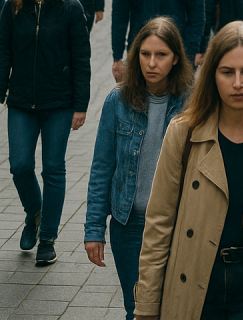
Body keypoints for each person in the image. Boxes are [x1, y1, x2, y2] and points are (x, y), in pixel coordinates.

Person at [133, 22, 243, 320]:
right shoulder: (183, 133)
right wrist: (147, 307)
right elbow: (159, 223)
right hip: (196, 278)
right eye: (227, 72)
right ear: (212, 75)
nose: (238, 83)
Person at [84, 18, 193, 320]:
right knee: (138, 311)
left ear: (175, 59)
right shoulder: (117, 101)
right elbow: (102, 168)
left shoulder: (193, 103)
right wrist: (94, 229)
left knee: (177, 309)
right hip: (129, 223)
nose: (152, 63)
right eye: (145, 54)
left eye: (161, 55)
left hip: (179, 222)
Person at [0, 0, 91, 265]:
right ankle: (34, 213)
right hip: (22, 101)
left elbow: (82, 59)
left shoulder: (70, 8)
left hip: (60, 102)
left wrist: (81, 105)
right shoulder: (13, 7)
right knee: (20, 166)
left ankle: (48, 238)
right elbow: (4, 53)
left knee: (53, 168)